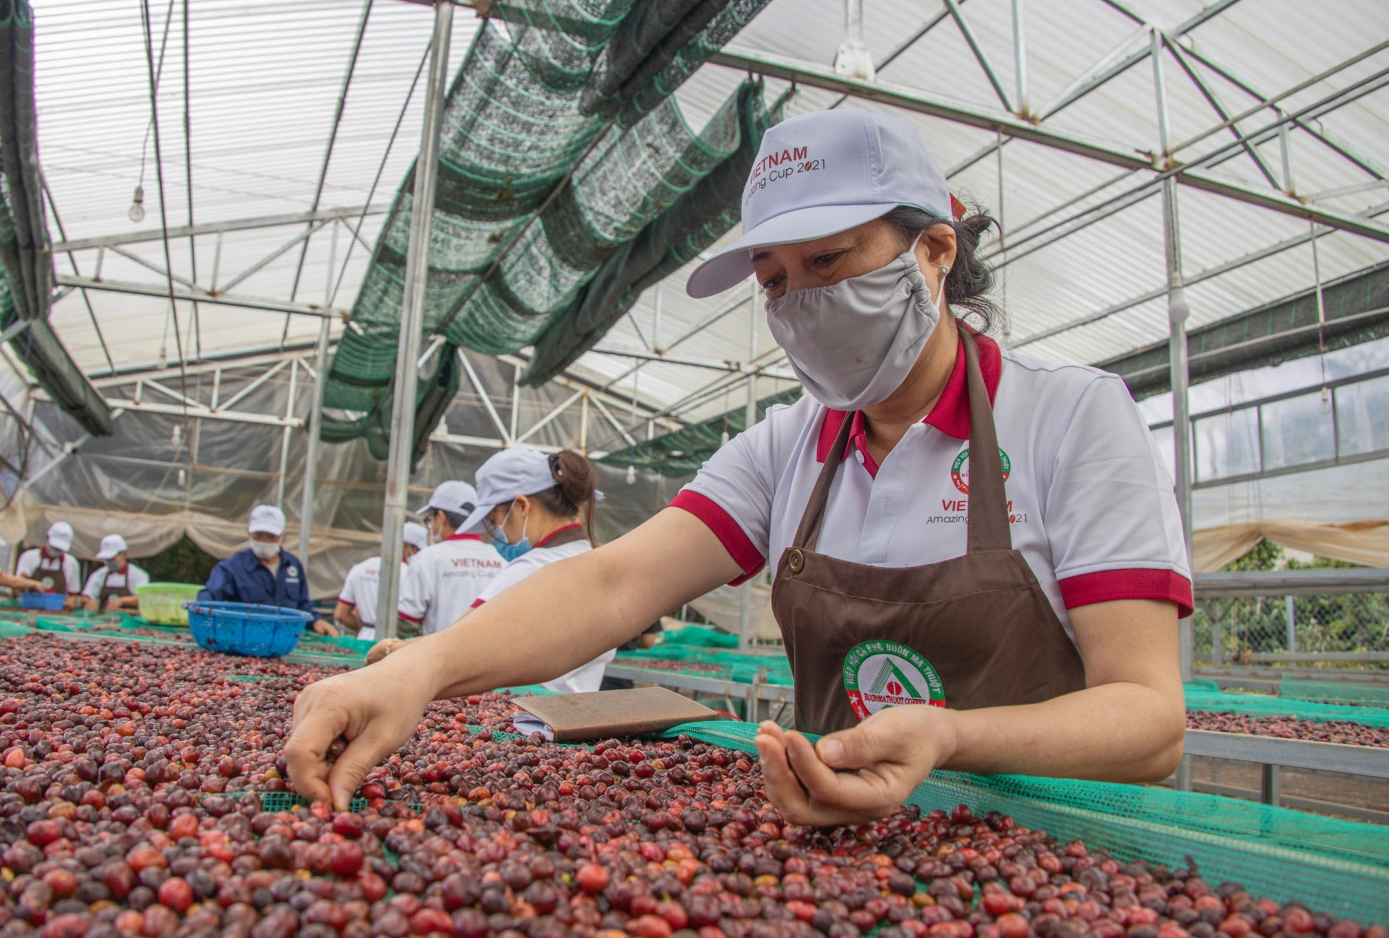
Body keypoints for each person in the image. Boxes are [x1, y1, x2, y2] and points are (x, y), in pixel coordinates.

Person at [284, 106, 1192, 822]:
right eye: (774, 279)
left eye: (828, 259)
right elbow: (612, 584)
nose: (802, 301)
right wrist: (420, 669)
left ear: (935, 252)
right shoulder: (787, 446)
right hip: (837, 848)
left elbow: (1149, 722)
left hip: (1060, 855)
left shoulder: (1071, 419)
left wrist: (950, 739)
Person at [370, 449, 615, 690]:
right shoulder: (598, 561)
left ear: (522, 506)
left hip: (524, 712)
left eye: (495, 522)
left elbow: (452, 645)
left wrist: (391, 649)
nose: (497, 534)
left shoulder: (530, 570)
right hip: (576, 709)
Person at [366, 482, 504, 661]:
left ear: (441, 517)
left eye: (429, 519)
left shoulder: (427, 559)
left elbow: (407, 622)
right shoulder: (500, 558)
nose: (430, 525)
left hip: (440, 662)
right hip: (491, 662)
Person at [199, 504, 315, 619]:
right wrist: (203, 611)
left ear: (282, 536)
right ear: (249, 533)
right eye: (258, 536)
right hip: (246, 629)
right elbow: (210, 595)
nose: (264, 541)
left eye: (271, 537)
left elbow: (303, 605)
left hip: (287, 630)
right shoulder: (234, 566)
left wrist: (316, 621)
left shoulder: (292, 565)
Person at [334, 523, 426, 640]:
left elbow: (340, 614)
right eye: (418, 550)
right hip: (396, 641)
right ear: (408, 547)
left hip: (364, 639)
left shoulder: (359, 569)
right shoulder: (408, 573)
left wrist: (362, 627)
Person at [14, 521, 82, 609]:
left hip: (57, 611)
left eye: (59, 549)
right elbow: (17, 589)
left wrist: (70, 602)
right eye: (54, 547)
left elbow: (73, 594)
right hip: (30, 609)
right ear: (47, 537)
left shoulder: (71, 563)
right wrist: (25, 583)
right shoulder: (28, 557)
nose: (56, 550)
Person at [80, 534, 149, 612]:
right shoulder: (98, 575)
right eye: (106, 559)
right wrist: (89, 602)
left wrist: (121, 601)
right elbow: (86, 596)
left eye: (112, 558)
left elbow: (142, 598)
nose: (109, 561)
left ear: (124, 554)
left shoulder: (138, 575)